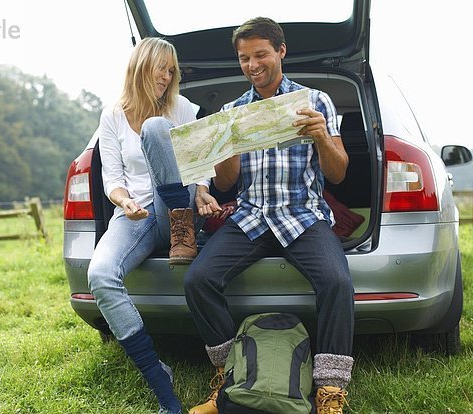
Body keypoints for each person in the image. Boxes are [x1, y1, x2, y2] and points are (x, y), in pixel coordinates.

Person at [184, 17, 354, 414]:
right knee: (198, 279)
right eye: (244, 58)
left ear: (281, 51)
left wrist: (321, 137)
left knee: (337, 282)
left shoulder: (316, 101)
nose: (252, 64)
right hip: (251, 217)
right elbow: (226, 183)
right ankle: (231, 377)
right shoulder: (232, 110)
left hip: (303, 215)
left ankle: (330, 390)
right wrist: (226, 147)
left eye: (260, 54)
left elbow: (340, 173)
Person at [87, 37, 210, 414]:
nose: (168, 76)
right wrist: (124, 202)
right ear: (143, 66)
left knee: (157, 127)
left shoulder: (183, 108)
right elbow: (112, 178)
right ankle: (161, 382)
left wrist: (202, 191)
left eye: (172, 70)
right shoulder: (112, 116)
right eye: (163, 67)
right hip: (136, 214)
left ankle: (181, 228)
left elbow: (203, 159)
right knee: (100, 275)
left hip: (179, 210)